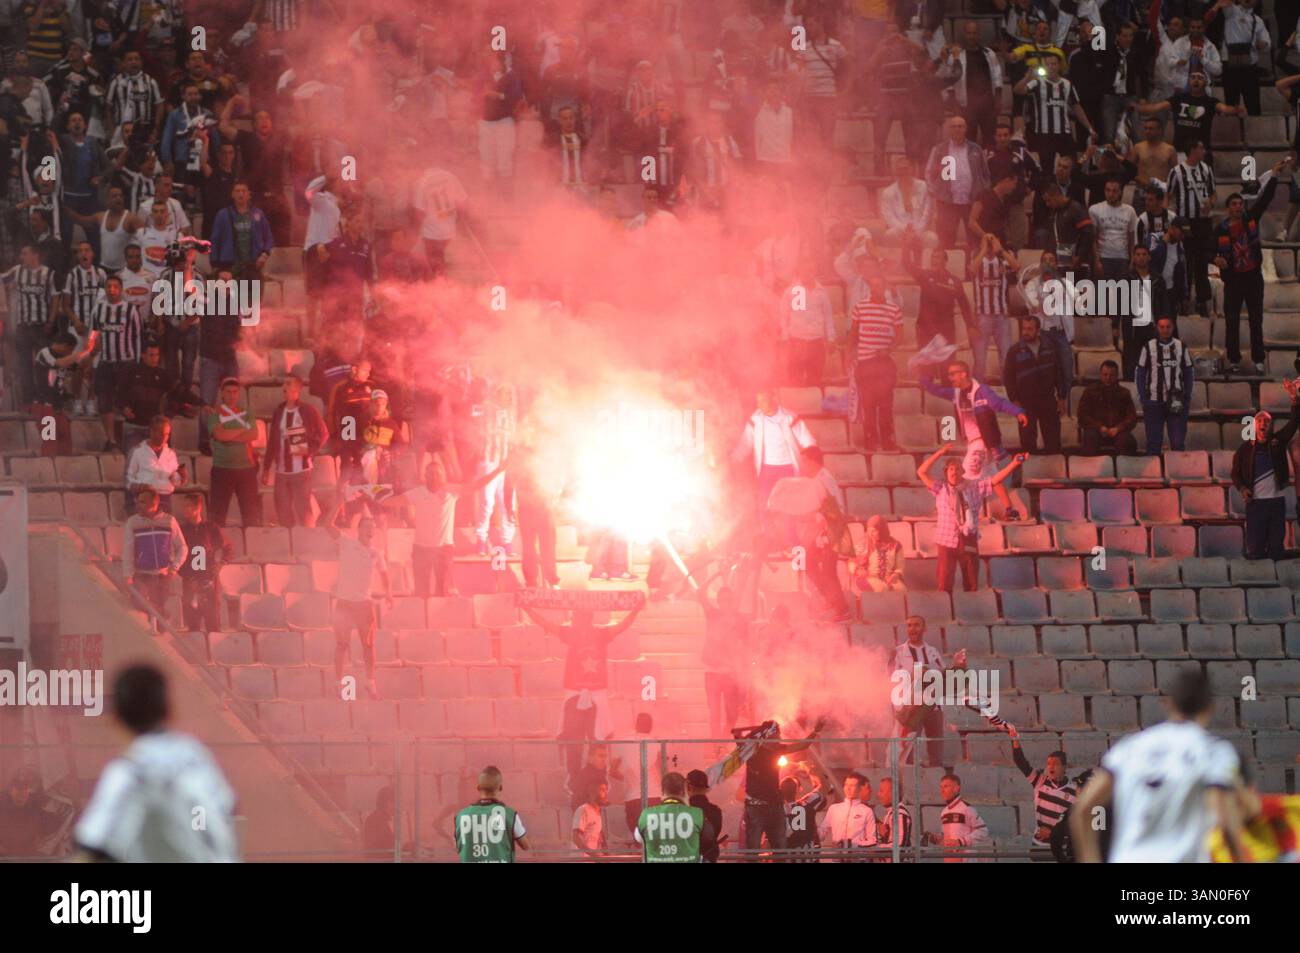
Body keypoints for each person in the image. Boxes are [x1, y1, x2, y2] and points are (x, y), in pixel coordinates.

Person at [1072, 670, 1244, 862]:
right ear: (1210, 708)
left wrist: (1089, 858)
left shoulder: (1129, 747)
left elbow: (1084, 808)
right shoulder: (1215, 751)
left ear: (1169, 703)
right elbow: (1224, 818)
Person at [74, 665, 239, 862]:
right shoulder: (196, 755)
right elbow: (225, 808)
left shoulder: (130, 769)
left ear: (116, 716)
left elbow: (92, 848)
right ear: (168, 710)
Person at [521, 597, 645, 783]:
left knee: (599, 737)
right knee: (573, 739)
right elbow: (546, 624)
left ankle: (599, 779)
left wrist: (635, 611)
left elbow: (621, 627)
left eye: (577, 617)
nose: (575, 620)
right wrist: (527, 609)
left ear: (586, 618)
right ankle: (574, 779)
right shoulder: (573, 633)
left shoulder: (597, 634)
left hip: (595, 691)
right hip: (575, 691)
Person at [383, 457, 506, 598]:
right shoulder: (417, 493)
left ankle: (438, 619)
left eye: (438, 474)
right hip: (421, 549)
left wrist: (498, 470)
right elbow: (391, 502)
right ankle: (423, 619)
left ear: (443, 476)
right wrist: (369, 493)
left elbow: (477, 485)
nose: (435, 477)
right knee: (421, 593)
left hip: (444, 549)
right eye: (431, 473)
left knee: (442, 591)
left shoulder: (452, 491)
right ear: (426, 476)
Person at [921, 359, 1027, 519]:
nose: (949, 377)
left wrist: (1017, 412)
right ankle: (1010, 510)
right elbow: (937, 390)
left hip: (981, 443)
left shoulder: (981, 391)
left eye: (952, 374)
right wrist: (923, 377)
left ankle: (954, 509)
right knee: (992, 478)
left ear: (963, 374)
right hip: (978, 445)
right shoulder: (956, 393)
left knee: (961, 477)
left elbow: (999, 403)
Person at [918, 443, 1027, 592]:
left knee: (971, 583)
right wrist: (940, 453)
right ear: (946, 472)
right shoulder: (940, 489)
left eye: (957, 469)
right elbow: (921, 472)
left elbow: (995, 480)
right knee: (944, 584)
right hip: (945, 540)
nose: (954, 472)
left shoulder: (974, 487)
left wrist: (1014, 464)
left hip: (968, 538)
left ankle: (970, 610)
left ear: (962, 471)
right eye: (951, 469)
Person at [1215, 160, 1287, 376]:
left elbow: (1265, 198)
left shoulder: (1251, 219)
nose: (1237, 207)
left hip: (1253, 279)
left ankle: (1258, 360)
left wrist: (1274, 175)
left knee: (1256, 321)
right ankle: (1234, 360)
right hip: (1233, 281)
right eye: (1233, 205)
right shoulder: (1220, 229)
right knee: (1232, 322)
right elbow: (1208, 251)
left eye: (1239, 204)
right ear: (1228, 208)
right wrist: (1215, 258)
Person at [323, 501, 394, 700]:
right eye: (366, 527)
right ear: (359, 530)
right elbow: (327, 525)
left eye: (372, 528)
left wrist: (388, 592)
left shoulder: (376, 553)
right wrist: (338, 501)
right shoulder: (346, 543)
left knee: (368, 645)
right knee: (342, 645)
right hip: (344, 603)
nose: (369, 531)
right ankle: (339, 685)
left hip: (364, 604)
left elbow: (384, 574)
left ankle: (370, 683)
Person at [1232, 387, 1300, 560]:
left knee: (1276, 550)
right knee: (1255, 551)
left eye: (1267, 421)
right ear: (1254, 425)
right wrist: (1242, 488)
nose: (1263, 424)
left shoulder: (1278, 442)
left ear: (1271, 426)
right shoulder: (1245, 449)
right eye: (1260, 421)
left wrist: (1294, 399)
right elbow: (1235, 474)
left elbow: (1294, 422)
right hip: (1256, 505)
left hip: (1276, 503)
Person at [740, 720, 824, 857]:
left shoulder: (777, 750)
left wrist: (815, 731)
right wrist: (758, 732)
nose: (779, 738)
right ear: (768, 735)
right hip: (755, 807)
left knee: (780, 849)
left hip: (774, 806)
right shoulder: (752, 749)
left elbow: (803, 745)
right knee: (753, 851)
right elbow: (741, 742)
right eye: (777, 735)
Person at [892, 614, 967, 766]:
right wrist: (912, 677)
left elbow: (944, 675)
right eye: (909, 625)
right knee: (907, 750)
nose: (912, 628)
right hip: (911, 708)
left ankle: (936, 781)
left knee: (936, 749)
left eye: (916, 625)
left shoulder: (933, 652)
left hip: (933, 707)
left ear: (924, 628)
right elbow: (892, 679)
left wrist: (956, 665)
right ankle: (908, 783)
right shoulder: (898, 652)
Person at [731, 388, 817, 517]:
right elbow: (745, 444)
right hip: (766, 470)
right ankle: (767, 534)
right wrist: (734, 459)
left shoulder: (789, 417)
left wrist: (813, 463)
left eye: (763, 400)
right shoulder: (755, 420)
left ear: (773, 399)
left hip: (787, 468)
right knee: (764, 506)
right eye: (758, 401)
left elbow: (808, 441)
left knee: (788, 508)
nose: (760, 405)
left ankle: (789, 536)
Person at [260, 375, 328, 529]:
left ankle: (307, 541)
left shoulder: (307, 410)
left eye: (288, 383)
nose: (284, 386)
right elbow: (272, 442)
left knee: (303, 508)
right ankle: (289, 541)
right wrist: (266, 468)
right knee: (282, 509)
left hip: (302, 470)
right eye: (284, 383)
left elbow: (323, 433)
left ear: (297, 389)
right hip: (282, 471)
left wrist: (310, 450)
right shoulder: (279, 411)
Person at [1010, 727, 1087, 848]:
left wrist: (1053, 833)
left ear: (1064, 767)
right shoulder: (1040, 781)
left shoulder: (1075, 791)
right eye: (1049, 763)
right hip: (1039, 844)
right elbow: (1020, 762)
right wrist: (1015, 739)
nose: (1051, 767)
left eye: (1055, 763)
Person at [924, 115, 990, 249]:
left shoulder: (976, 149)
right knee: (946, 240)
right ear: (949, 129)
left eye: (960, 126)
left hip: (971, 203)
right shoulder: (939, 150)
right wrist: (937, 193)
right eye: (953, 126)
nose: (957, 129)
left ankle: (972, 268)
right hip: (947, 203)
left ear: (965, 129)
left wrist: (982, 195)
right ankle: (947, 268)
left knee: (974, 241)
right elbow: (929, 173)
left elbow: (985, 174)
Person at [122, 487, 186, 622]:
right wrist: (127, 575)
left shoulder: (169, 521)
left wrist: (174, 568)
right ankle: (163, 615)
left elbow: (182, 547)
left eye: (142, 502)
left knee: (157, 618)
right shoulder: (133, 522)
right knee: (137, 601)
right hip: (141, 575)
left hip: (163, 576)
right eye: (137, 501)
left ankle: (160, 630)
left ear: (154, 503)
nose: (138, 505)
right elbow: (128, 550)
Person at [1002, 315, 1064, 453]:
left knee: (1053, 441)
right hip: (1025, 403)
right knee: (1027, 442)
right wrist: (1014, 400)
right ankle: (1029, 471)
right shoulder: (1014, 351)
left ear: (1038, 330)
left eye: (1030, 329)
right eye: (1023, 328)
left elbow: (1059, 373)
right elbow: (1008, 378)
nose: (1025, 332)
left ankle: (1054, 471)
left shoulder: (1050, 348)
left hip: (1047, 400)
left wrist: (1061, 397)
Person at [206, 377, 262, 527]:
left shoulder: (247, 412)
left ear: (239, 394)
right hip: (222, 469)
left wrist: (228, 435)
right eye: (228, 392)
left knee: (251, 515)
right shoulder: (214, 414)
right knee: (218, 515)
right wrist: (243, 431)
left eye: (235, 392)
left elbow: (254, 435)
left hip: (247, 469)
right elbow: (219, 435)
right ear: (222, 393)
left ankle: (252, 549)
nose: (232, 395)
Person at [1136, 316, 1194, 454]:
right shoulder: (1148, 347)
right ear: (1157, 328)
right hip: (1154, 401)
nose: (1165, 330)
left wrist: (1187, 396)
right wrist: (1144, 398)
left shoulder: (1181, 346)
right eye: (1162, 327)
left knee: (1177, 442)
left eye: (1168, 327)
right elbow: (1140, 373)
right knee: (1153, 443)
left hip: (1176, 401)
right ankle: (1154, 474)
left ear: (1173, 328)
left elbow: (1189, 372)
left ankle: (1178, 473)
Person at [176, 492, 230, 634]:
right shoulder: (181, 530)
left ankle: (214, 653)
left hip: (209, 579)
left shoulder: (211, 527)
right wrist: (187, 577)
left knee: (212, 620)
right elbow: (176, 555)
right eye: (184, 506)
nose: (185, 509)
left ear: (198, 507)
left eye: (188, 506)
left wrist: (221, 563)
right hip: (190, 580)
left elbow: (227, 547)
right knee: (193, 621)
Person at [968, 232, 1019, 381]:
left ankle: (1007, 394)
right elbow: (972, 269)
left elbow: (1016, 267)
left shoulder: (1003, 257)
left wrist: (1000, 250)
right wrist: (984, 248)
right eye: (986, 239)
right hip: (982, 316)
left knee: (1006, 360)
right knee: (979, 361)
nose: (989, 242)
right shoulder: (976, 256)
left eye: (992, 239)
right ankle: (978, 397)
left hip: (1001, 316)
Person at [454, 766, 530, 863]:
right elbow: (526, 846)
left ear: (478, 788)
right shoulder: (509, 814)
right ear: (500, 787)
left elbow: (459, 848)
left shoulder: (460, 816)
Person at [635, 771, 714, 863]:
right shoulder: (697, 814)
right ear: (683, 792)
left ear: (663, 792)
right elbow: (708, 837)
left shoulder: (646, 814)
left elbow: (638, 838)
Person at [125, 415, 187, 511]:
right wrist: (140, 486)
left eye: (167, 434)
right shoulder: (137, 451)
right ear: (152, 432)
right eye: (161, 434)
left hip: (165, 500)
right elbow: (128, 480)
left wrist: (181, 478)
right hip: (144, 500)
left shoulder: (171, 454)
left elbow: (175, 481)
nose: (164, 438)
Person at [1078, 360, 1139, 455]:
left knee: (1126, 441)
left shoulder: (1124, 393)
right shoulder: (1090, 391)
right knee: (1090, 437)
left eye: (1111, 375)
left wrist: (1118, 428)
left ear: (1117, 375)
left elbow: (1131, 417)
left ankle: (1124, 468)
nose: (1108, 378)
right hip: (1096, 430)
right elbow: (1082, 415)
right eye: (1105, 374)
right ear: (1100, 374)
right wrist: (1099, 427)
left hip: (1117, 432)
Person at [925, 773, 989, 862]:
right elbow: (948, 839)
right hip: (949, 858)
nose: (942, 790)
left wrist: (960, 842)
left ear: (956, 788)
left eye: (946, 786)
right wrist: (937, 839)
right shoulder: (944, 812)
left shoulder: (967, 808)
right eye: (941, 787)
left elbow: (983, 831)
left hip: (965, 859)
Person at [818, 772, 878, 861]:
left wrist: (853, 844)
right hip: (837, 859)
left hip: (858, 859)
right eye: (846, 785)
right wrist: (810, 826)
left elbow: (873, 840)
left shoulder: (866, 811)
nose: (848, 788)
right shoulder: (834, 808)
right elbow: (821, 832)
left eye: (852, 785)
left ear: (859, 789)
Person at [854, 514, 906, 593]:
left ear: (882, 530)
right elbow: (852, 562)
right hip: (869, 577)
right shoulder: (863, 543)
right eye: (869, 530)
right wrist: (858, 571)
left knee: (901, 590)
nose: (871, 534)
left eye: (874, 531)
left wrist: (895, 575)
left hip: (888, 577)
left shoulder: (896, 545)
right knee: (881, 589)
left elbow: (900, 566)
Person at [686, 769, 726, 863]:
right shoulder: (715, 811)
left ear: (688, 787)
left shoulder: (684, 811)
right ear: (706, 789)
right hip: (709, 858)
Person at [876, 776, 912, 860]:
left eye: (881, 791)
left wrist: (875, 848)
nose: (878, 794)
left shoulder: (900, 813)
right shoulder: (891, 813)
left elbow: (899, 845)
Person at [572, 780, 609, 857]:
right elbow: (576, 838)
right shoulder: (583, 809)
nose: (606, 793)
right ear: (592, 792)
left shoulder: (597, 813)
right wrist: (594, 855)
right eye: (602, 790)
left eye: (606, 790)